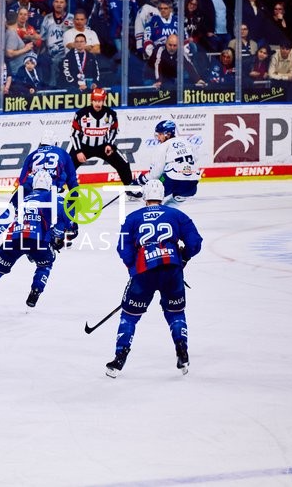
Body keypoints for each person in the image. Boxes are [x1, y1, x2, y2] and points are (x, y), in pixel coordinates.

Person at [104, 179, 203, 378]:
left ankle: (119, 358)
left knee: (129, 316)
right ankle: (182, 351)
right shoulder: (176, 214)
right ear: (162, 195)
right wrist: (183, 257)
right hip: (172, 271)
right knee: (175, 314)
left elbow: (123, 248)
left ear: (145, 197)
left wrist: (134, 269)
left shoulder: (133, 218)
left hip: (144, 273)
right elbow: (195, 242)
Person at [0, 169, 69, 313]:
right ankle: (35, 292)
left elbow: (9, 216)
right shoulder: (53, 196)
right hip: (37, 241)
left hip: (14, 239)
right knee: (45, 264)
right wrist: (58, 236)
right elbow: (65, 217)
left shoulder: (24, 198)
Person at [0, 130, 78, 248]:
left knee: (12, 210)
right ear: (55, 143)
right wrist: (73, 195)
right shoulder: (62, 153)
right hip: (49, 191)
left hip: (28, 187)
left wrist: (25, 192)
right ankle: (60, 237)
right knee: (63, 211)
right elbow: (71, 178)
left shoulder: (32, 154)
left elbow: (22, 179)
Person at [69, 87, 138, 199]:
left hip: (103, 146)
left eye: (100, 101)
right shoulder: (81, 114)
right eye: (95, 101)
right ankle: (57, 189)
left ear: (104, 100)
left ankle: (129, 189)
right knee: (68, 167)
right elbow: (74, 134)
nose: (98, 103)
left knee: (123, 163)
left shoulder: (111, 114)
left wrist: (109, 144)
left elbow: (114, 130)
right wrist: (78, 151)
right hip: (83, 147)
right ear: (91, 100)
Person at [134, 120, 201, 204]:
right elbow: (196, 158)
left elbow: (156, 173)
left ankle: (153, 214)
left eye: (160, 134)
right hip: (192, 184)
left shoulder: (163, 146)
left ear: (168, 134)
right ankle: (167, 214)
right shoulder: (186, 142)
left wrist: (140, 181)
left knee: (153, 194)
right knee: (176, 201)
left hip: (172, 180)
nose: (158, 137)